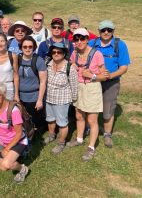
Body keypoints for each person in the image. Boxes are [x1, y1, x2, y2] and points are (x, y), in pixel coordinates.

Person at [66, 28, 108, 162]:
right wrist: (73, 65)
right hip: (78, 87)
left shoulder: (97, 54)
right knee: (79, 115)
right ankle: (79, 139)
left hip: (92, 88)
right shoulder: (75, 53)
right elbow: (72, 62)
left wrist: (92, 75)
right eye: (76, 39)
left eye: (82, 38)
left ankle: (91, 147)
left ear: (87, 39)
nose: (79, 41)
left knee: (92, 120)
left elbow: (104, 76)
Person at [88, 20, 130, 148]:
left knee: (107, 110)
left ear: (113, 31)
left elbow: (124, 67)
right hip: (94, 81)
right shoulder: (92, 43)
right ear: (99, 31)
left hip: (111, 82)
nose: (106, 32)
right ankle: (90, 129)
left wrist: (110, 75)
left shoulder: (120, 45)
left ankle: (107, 134)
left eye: (109, 30)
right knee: (90, 108)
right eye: (103, 30)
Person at [0, 83, 29, 183]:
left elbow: (19, 133)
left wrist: (7, 149)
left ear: (4, 94)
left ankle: (23, 169)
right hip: (3, 141)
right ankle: (19, 156)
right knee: (2, 168)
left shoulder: (13, 111)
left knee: (7, 164)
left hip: (18, 141)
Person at [44, 43, 78, 155]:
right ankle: (51, 135)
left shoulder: (70, 67)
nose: (56, 54)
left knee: (62, 123)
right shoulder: (47, 64)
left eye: (59, 52)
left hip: (62, 100)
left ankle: (61, 143)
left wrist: (73, 100)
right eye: (54, 52)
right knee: (50, 119)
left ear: (64, 53)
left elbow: (74, 85)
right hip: (49, 98)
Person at [18, 36, 47, 133]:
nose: (27, 49)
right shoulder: (17, 59)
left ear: (34, 47)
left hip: (34, 97)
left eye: (30, 47)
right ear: (21, 47)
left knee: (36, 121)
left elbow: (43, 81)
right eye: (25, 46)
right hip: (20, 97)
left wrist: (40, 100)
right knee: (23, 120)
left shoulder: (38, 60)